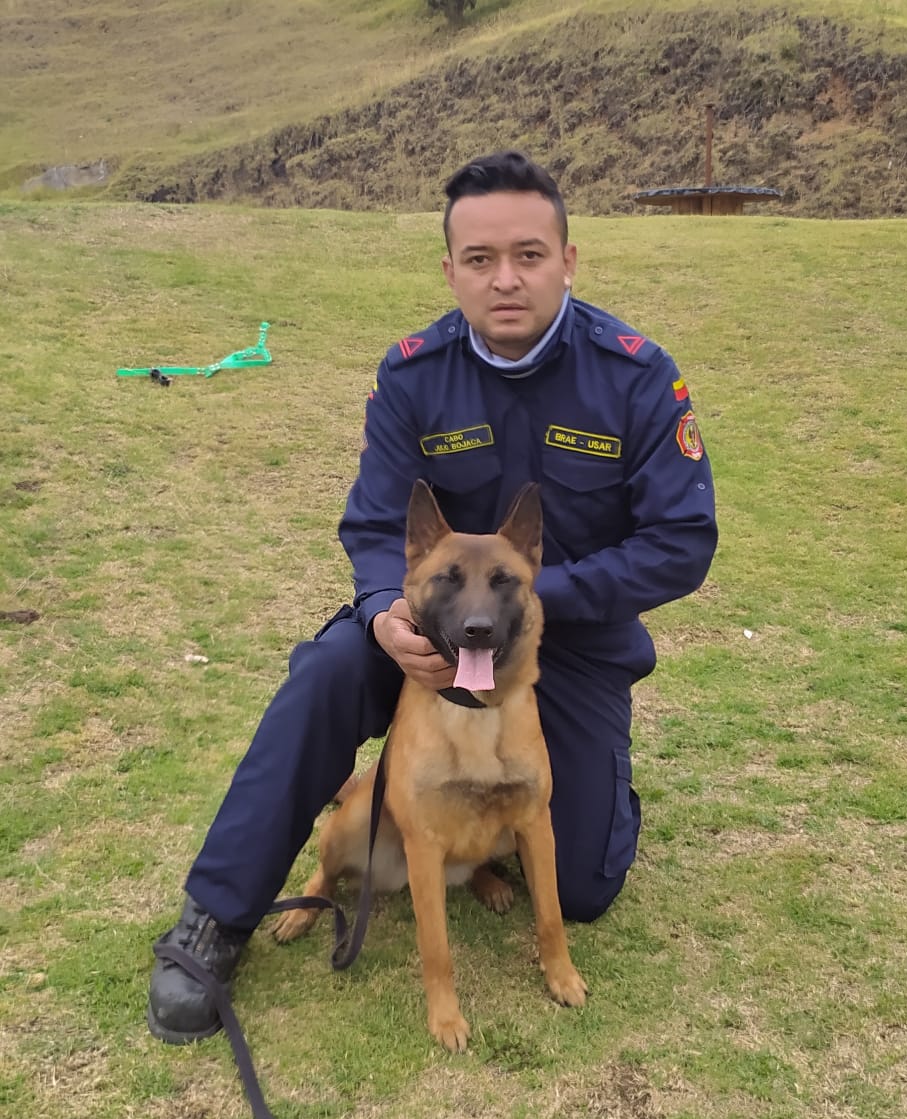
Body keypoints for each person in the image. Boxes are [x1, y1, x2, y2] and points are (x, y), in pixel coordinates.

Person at [147, 150, 718, 1044]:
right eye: (479, 259)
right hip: (433, 629)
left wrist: (535, 602)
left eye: (529, 255)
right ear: (449, 268)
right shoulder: (413, 373)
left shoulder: (637, 376)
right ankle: (214, 917)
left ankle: (597, 787)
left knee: (579, 888)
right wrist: (384, 609)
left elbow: (681, 544)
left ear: (569, 260)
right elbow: (376, 524)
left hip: (563, 642)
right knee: (330, 670)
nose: (505, 278)